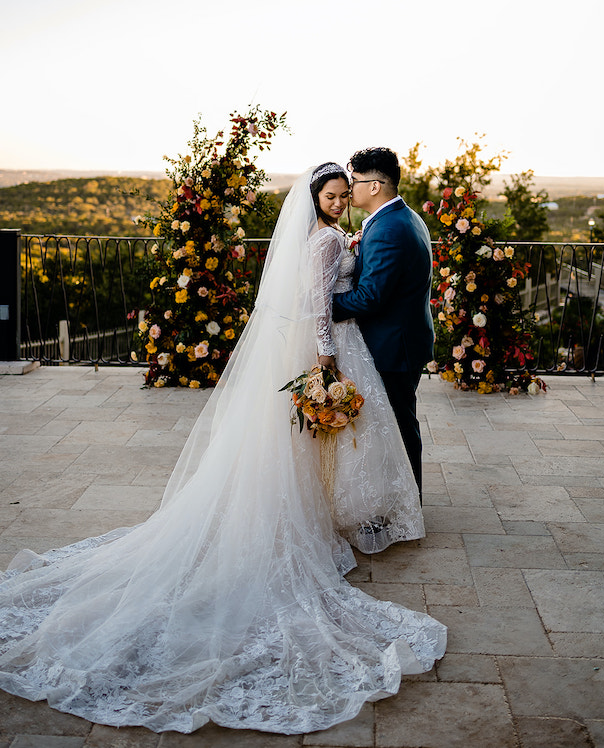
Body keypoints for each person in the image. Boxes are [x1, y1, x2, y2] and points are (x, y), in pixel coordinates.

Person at [0, 164, 446, 735]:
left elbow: (319, 293)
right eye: (332, 196)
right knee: (331, 432)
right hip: (332, 344)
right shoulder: (329, 236)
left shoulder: (328, 234)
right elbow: (319, 302)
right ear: (315, 199)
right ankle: (320, 516)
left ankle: (327, 510)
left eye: (344, 194)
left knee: (324, 437)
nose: (340, 203)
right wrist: (328, 353)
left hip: (331, 340)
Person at [333, 148, 434, 501]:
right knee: (396, 424)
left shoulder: (389, 228)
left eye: (354, 182)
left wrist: (317, 307)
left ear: (375, 186)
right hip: (401, 340)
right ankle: (402, 502)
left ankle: (405, 504)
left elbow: (369, 297)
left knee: (398, 427)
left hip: (394, 346)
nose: (349, 190)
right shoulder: (403, 217)